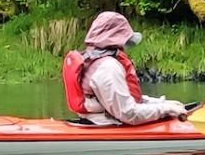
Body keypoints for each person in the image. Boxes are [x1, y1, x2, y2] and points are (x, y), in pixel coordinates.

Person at [62, 11, 192, 126]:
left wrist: (164, 104)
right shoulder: (108, 67)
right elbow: (128, 114)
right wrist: (164, 109)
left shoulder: (91, 58)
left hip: (98, 119)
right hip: (107, 124)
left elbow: (121, 98)